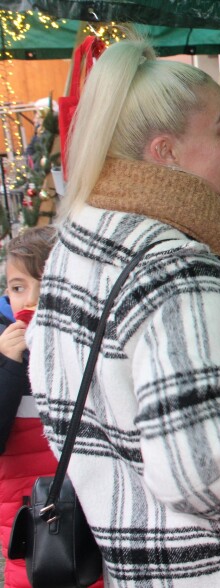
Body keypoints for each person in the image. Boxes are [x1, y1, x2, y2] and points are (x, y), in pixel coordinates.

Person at [26, 38, 220, 586]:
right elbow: (209, 478)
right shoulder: (180, 270)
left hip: (138, 558)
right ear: (166, 152)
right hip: (215, 570)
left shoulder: (81, 237)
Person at [0, 226, 66, 588]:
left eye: (46, 285)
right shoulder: (4, 351)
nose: (29, 301)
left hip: (89, 510)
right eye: (17, 287)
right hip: (30, 522)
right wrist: (9, 364)